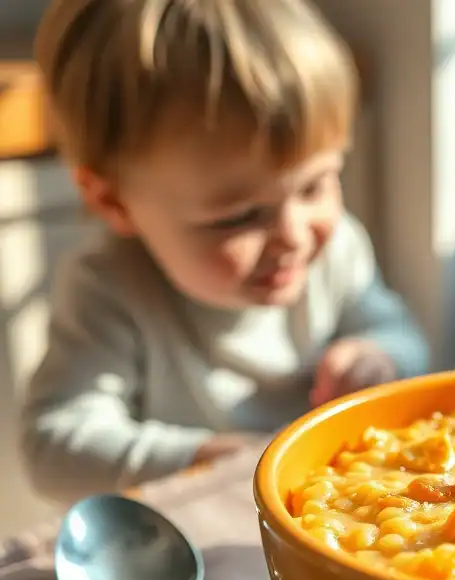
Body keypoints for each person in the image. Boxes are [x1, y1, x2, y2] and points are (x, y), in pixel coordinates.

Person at [21, 0, 430, 505]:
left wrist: (379, 355)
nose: (294, 235)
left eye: (317, 185)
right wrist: (209, 459)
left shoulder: (336, 245)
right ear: (113, 200)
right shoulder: (107, 288)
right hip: (183, 536)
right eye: (240, 217)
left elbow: (401, 335)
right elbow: (53, 447)